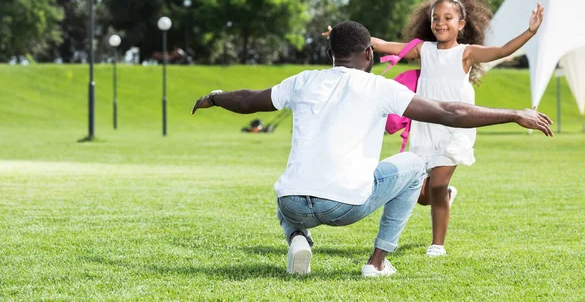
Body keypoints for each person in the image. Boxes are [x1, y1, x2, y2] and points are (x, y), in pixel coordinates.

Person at [192, 21, 553, 277]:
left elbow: (250, 100)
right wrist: (514, 113)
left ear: (331, 52)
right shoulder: (379, 88)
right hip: (344, 206)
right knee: (414, 165)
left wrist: (214, 96)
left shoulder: (302, 81)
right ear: (368, 54)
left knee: (289, 185)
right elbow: (450, 112)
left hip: (294, 204)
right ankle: (377, 262)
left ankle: (298, 238)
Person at [323, 0, 545, 257]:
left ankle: (437, 244)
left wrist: (530, 31)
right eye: (435, 18)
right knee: (422, 195)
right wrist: (341, 36)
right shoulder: (423, 50)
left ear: (461, 25)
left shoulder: (467, 53)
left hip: (456, 126)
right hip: (425, 126)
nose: (440, 23)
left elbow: (501, 50)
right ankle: (447, 195)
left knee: (437, 185)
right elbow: (381, 44)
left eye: (448, 18)